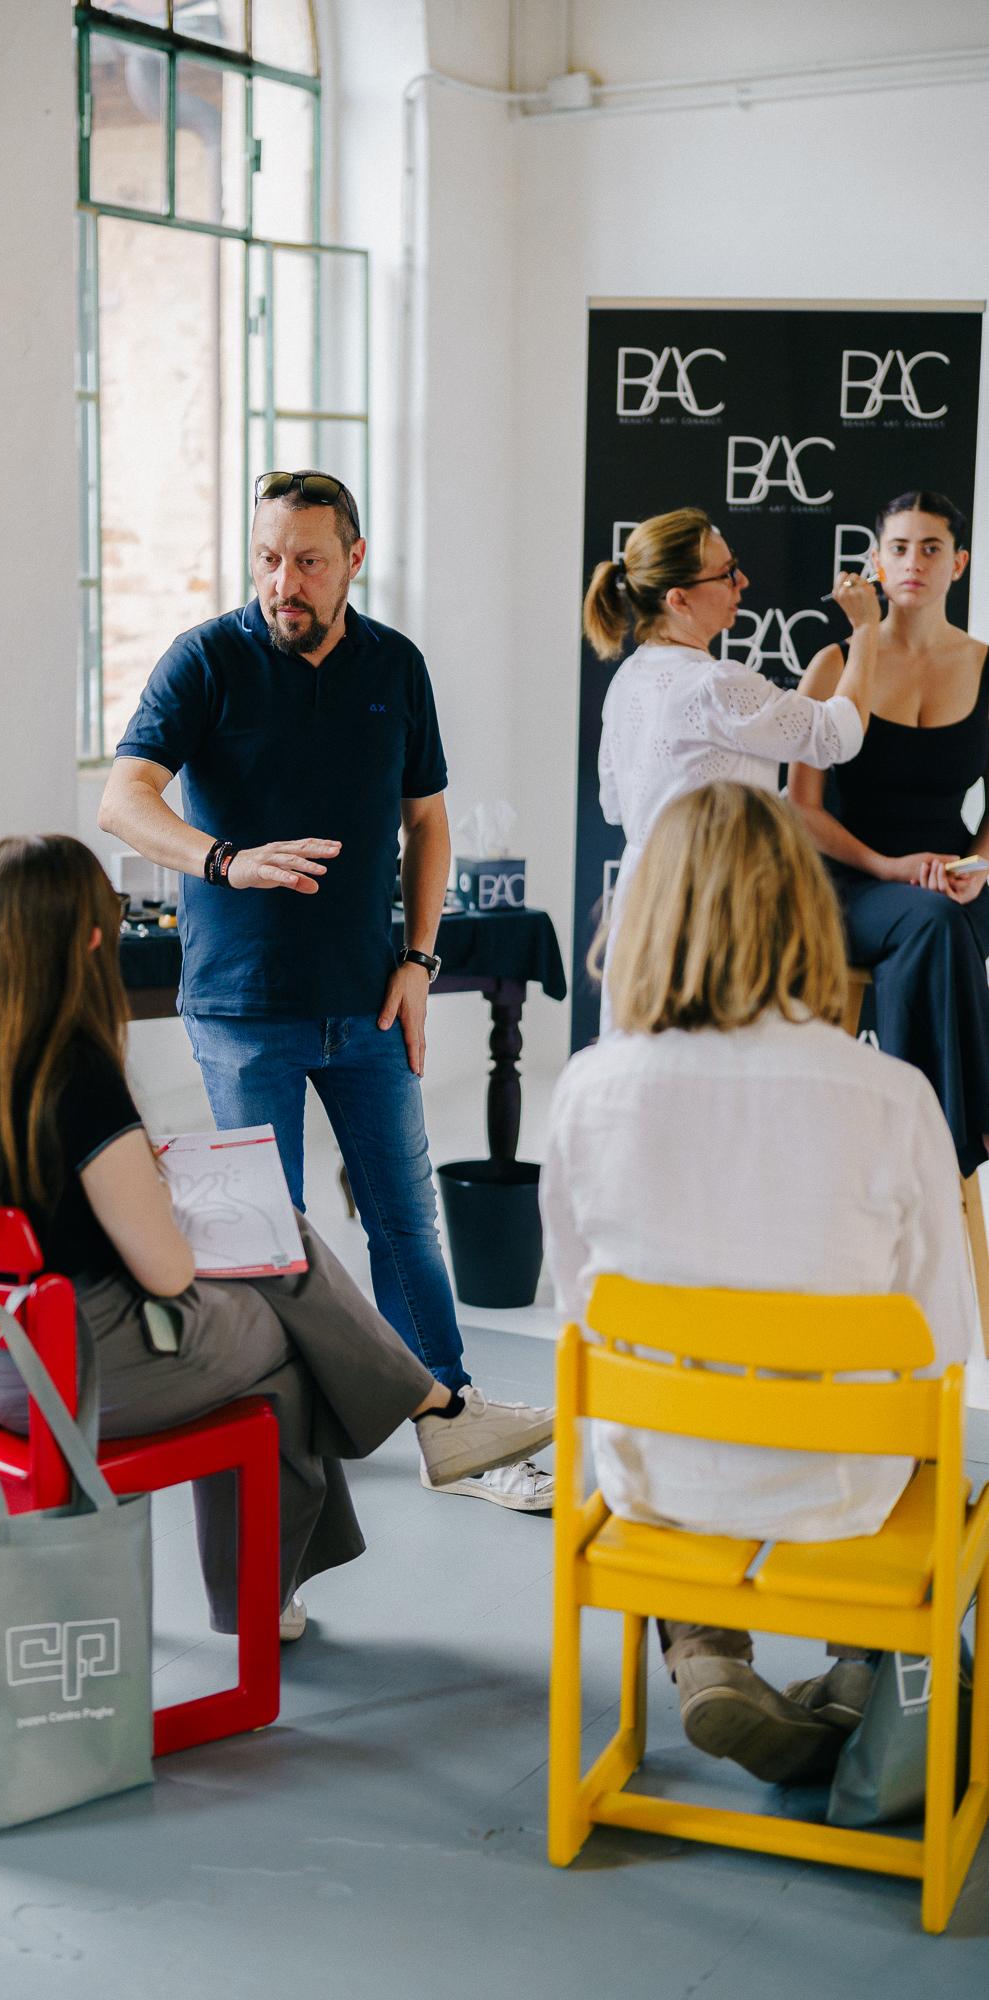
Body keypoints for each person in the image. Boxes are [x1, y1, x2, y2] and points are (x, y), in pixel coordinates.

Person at [0, 835, 557, 1643]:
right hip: (75, 1367)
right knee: (290, 1340)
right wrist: (175, 1209)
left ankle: (428, 1420)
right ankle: (357, 1495)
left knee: (283, 1246)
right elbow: (162, 1274)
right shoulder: (70, 1069)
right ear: (93, 940)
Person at [98, 468, 551, 1513]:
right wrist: (222, 860)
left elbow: (426, 819)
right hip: (242, 1009)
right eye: (266, 558)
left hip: (368, 1003)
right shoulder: (206, 659)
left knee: (404, 1220)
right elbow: (124, 796)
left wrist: (421, 960)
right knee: (275, 1232)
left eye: (305, 559)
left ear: (352, 558)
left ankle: (454, 1425)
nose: (281, 582)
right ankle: (288, 1441)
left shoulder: (396, 664)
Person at [542, 782, 974, 1784]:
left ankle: (699, 1651)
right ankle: (864, 1671)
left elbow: (580, 1310)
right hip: (842, 1490)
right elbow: (942, 1344)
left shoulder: (588, 1090)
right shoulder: (890, 1096)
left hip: (660, 1479)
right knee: (930, 1453)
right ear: (803, 911)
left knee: (672, 1420)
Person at [583, 505, 879, 1024]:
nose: (741, 580)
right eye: (725, 574)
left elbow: (614, 804)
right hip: (716, 905)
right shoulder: (716, 685)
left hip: (647, 898)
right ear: (678, 600)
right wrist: (868, 630)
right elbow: (839, 733)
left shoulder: (627, 678)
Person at [787, 490, 989, 1176]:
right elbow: (802, 810)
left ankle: (915, 1138)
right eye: (898, 548)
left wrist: (979, 865)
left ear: (957, 563)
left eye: (930, 548)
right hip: (848, 879)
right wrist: (889, 867)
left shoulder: (985, 666)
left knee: (938, 922)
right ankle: (953, 1138)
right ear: (875, 561)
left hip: (949, 878)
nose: (913, 562)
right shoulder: (833, 664)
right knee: (930, 923)